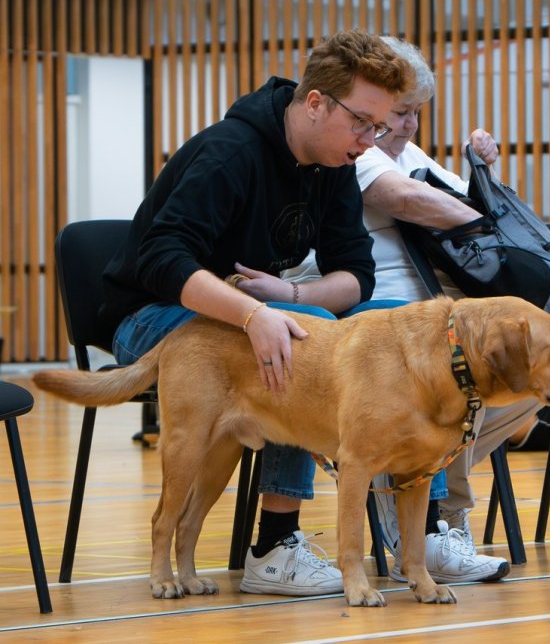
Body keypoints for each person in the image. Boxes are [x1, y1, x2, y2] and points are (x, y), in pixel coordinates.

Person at [99, 30, 414, 596]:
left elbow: (356, 277)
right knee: (302, 350)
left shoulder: (336, 162)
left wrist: (285, 301)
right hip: (152, 319)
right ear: (316, 103)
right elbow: (163, 260)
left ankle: (422, 529)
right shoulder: (230, 151)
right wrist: (252, 315)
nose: (371, 140)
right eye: (363, 123)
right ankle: (276, 542)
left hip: (251, 316)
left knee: (406, 330)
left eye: (381, 127)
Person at [284, 36, 531, 584]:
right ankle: (433, 526)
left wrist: (485, 174)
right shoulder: (358, 148)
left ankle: (415, 497)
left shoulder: (408, 152)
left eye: (417, 111)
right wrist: (479, 214)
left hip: (427, 313)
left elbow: (472, 208)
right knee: (453, 381)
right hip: (370, 313)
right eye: (400, 111)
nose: (409, 124)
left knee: (525, 383)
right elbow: (407, 200)